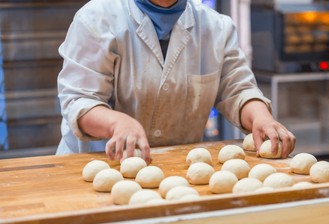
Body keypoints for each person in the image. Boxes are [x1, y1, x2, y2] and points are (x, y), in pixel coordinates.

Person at [56, 0, 296, 164]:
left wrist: (262, 118)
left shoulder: (216, 27)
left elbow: (237, 89)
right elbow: (79, 100)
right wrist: (117, 124)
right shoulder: (97, 20)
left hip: (179, 171)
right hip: (99, 167)